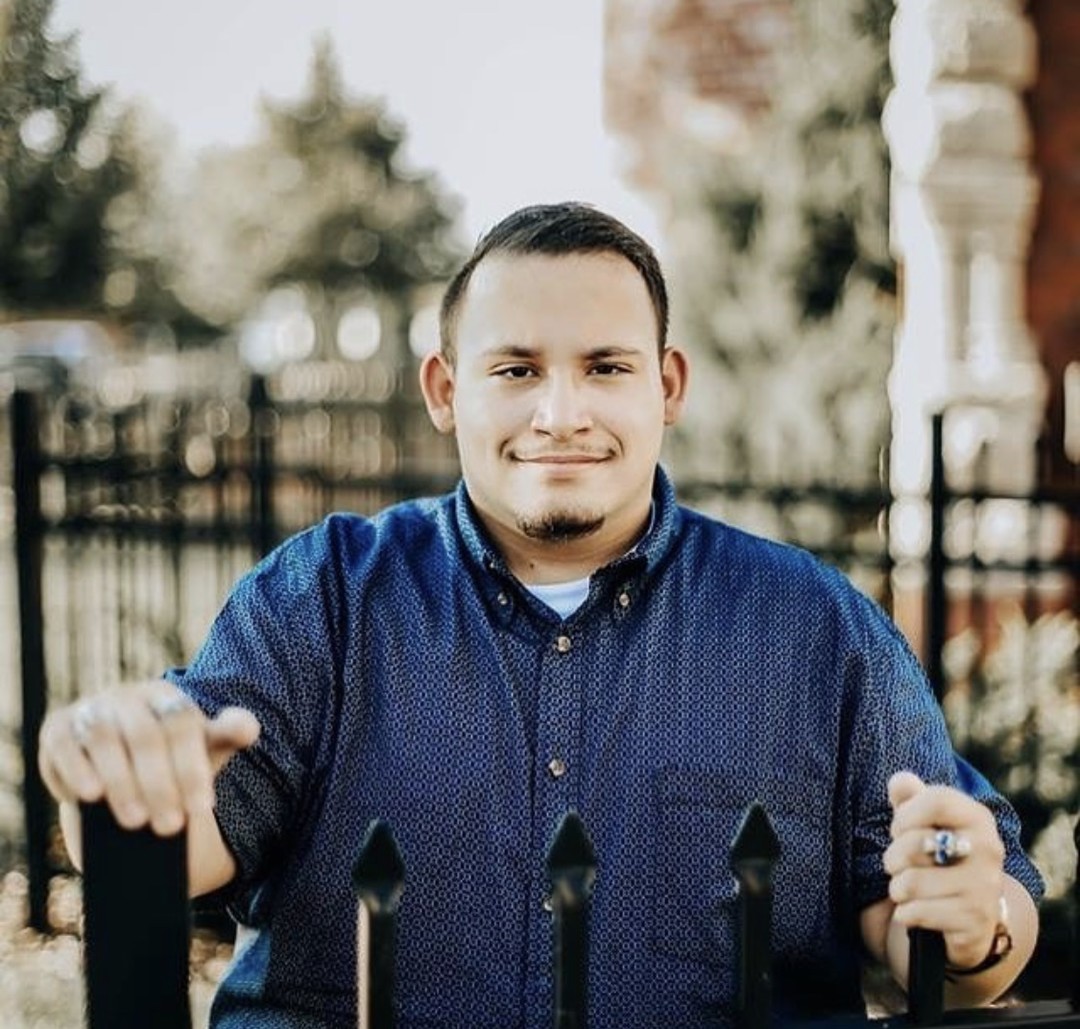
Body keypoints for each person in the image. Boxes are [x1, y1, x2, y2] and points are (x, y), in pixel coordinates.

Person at [39, 202, 1042, 1028]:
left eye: (606, 366)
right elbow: (171, 844)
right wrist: (115, 772)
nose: (562, 414)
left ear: (667, 385)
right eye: (516, 369)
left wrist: (973, 922)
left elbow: (966, 927)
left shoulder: (815, 631)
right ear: (445, 390)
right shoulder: (324, 599)